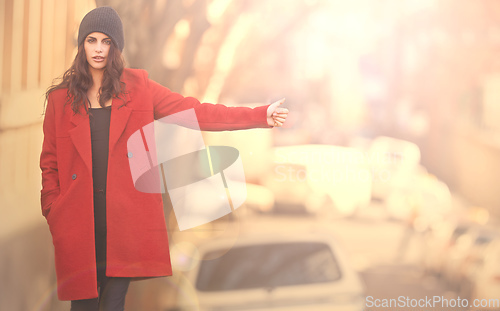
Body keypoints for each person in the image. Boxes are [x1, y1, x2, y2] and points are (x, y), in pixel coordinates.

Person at [40, 6, 288, 311]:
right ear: (82, 45)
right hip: (78, 225)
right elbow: (49, 163)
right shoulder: (60, 100)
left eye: (106, 41)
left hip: (124, 227)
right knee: (83, 307)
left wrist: (259, 114)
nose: (99, 49)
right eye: (92, 40)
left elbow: (196, 112)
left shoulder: (139, 89)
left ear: (116, 48)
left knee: (113, 304)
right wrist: (54, 209)